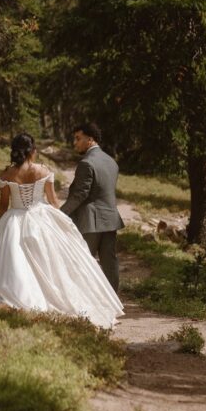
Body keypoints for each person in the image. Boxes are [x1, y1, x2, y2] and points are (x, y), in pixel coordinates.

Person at [0, 131, 123, 329]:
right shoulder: (43, 171)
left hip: (14, 220)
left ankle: (24, 297)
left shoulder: (7, 174)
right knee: (50, 261)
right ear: (32, 151)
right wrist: (61, 221)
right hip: (40, 217)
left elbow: (3, 204)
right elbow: (53, 201)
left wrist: (1, 225)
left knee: (18, 262)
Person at [61, 122, 125, 293]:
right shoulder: (112, 162)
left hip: (90, 221)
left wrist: (60, 214)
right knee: (109, 261)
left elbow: (79, 194)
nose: (75, 143)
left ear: (90, 140)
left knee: (83, 261)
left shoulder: (86, 163)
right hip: (110, 219)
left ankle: (85, 302)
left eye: (78, 138)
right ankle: (114, 303)